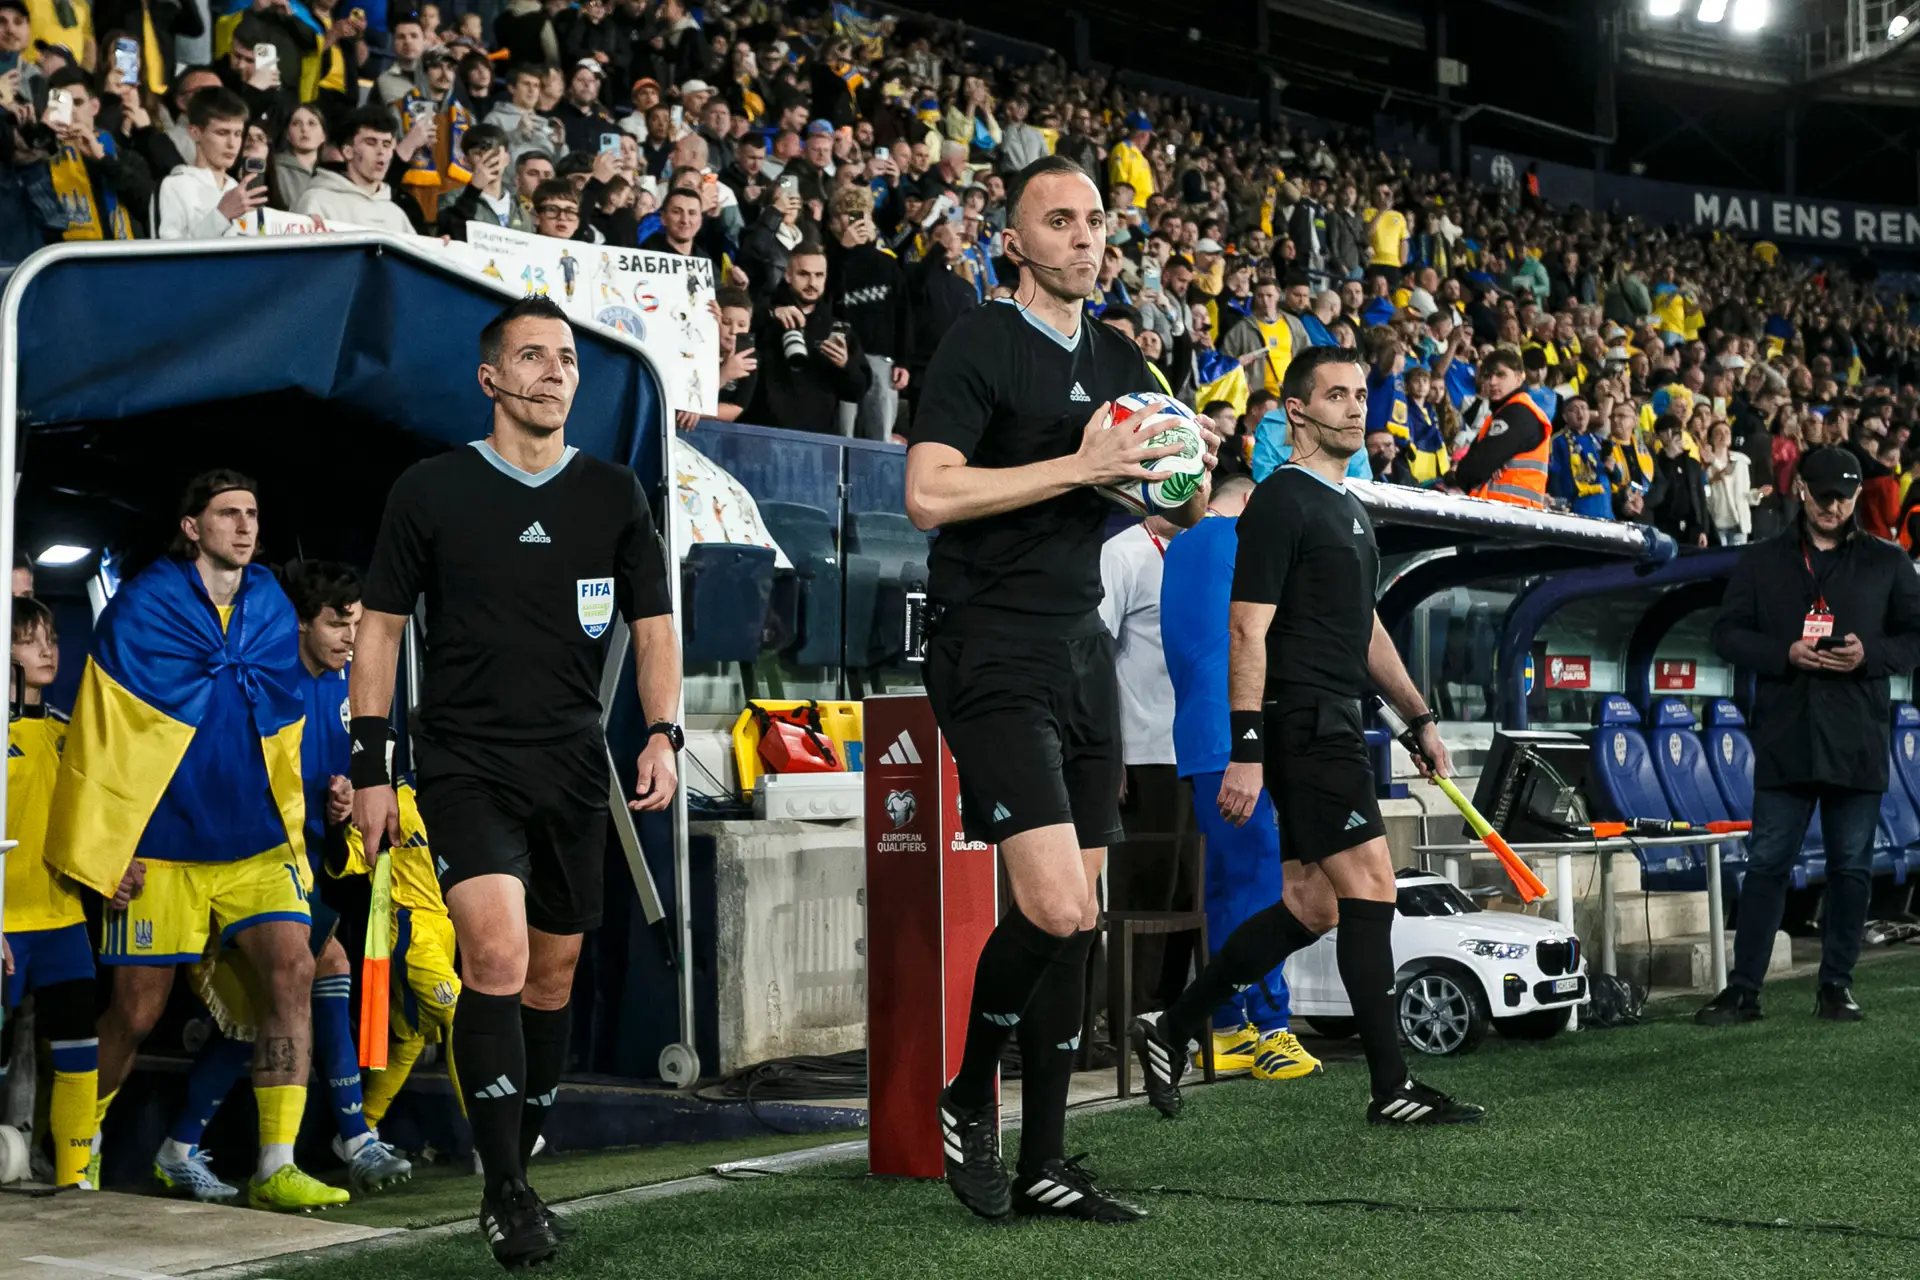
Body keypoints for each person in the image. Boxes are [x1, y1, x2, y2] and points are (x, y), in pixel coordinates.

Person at [907, 155, 1215, 1226]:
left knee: (1077, 924)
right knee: (1054, 902)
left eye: (1094, 220)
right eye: (1060, 220)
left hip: (1082, 649)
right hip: (988, 646)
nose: (1085, 238)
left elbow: (1161, 497)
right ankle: (964, 1092)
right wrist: (1081, 471)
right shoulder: (980, 341)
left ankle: (1045, 1155)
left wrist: (1178, 472)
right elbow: (928, 492)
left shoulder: (1124, 355)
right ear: (1016, 239)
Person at [351, 296, 681, 1269]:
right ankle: (503, 1190)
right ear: (490, 378)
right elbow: (376, 628)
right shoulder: (431, 488)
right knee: (490, 957)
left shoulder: (615, 493)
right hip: (464, 762)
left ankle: (522, 1139)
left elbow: (655, 627)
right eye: (531, 356)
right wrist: (372, 764)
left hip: (573, 764)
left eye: (568, 358)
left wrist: (661, 730)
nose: (553, 372)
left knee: (553, 973)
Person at [1130, 345, 1483, 1129]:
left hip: (1335, 720)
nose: (1356, 407)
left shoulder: (1349, 507)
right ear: (1298, 411)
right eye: (1336, 396)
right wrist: (1248, 752)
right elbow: (1246, 629)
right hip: (1304, 724)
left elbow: (1365, 631)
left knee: (1312, 903)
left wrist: (1420, 718)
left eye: (1361, 393)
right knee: (1372, 891)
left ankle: (1177, 1025)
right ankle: (1392, 1087)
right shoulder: (1282, 502)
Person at [48, 472, 345, 1209]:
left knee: (292, 970)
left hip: (256, 845)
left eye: (251, 513)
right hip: (162, 850)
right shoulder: (145, 606)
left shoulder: (272, 602)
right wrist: (106, 849)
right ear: (192, 527)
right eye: (227, 514)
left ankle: (276, 1164)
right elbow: (104, 734)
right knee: (136, 1014)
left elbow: (287, 710)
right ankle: (77, 1148)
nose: (245, 527)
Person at [153, 561, 412, 1200]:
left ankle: (180, 1147)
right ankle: (350, 1137)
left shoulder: (351, 687)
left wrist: (344, 801)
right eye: (335, 623)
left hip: (304, 868)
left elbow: (338, 778)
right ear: (299, 623)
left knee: (264, 1009)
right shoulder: (261, 682)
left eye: (355, 624)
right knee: (317, 968)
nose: (349, 638)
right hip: (244, 866)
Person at [1698, 447, 1920, 1025]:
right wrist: (1783, 653)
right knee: (1768, 862)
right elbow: (1726, 635)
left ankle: (1837, 987)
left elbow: (1916, 637)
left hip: (1856, 735)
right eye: (1824, 495)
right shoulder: (1762, 560)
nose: (1835, 506)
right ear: (1800, 490)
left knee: (1850, 868)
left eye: (1845, 497)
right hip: (1785, 734)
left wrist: (1871, 656)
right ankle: (1744, 989)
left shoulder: (1887, 562)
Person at [2, 597, 97, 1189]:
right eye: (29, 639)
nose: (47, 650)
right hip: (5, 924)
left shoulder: (68, 732)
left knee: (78, 1053)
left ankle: (75, 1178)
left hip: (63, 920)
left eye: (52, 638)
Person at [745, 245, 871, 433]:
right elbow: (733, 326)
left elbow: (857, 392)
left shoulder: (838, 329)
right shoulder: (765, 315)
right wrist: (770, 313)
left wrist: (845, 366)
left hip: (818, 440)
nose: (812, 282)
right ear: (788, 275)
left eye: (819, 275)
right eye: (804, 274)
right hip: (763, 432)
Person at [826, 185, 910, 441]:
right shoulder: (829, 262)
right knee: (842, 437)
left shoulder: (887, 262)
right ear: (834, 221)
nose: (854, 221)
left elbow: (904, 314)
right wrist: (844, 252)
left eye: (860, 214)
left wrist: (904, 362)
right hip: (843, 359)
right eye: (847, 214)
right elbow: (828, 303)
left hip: (882, 362)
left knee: (879, 439)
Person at [155, 87, 267, 238]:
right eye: (222, 133)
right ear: (195, 133)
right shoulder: (175, 186)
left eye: (238, 134)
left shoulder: (235, 188)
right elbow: (171, 257)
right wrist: (221, 215)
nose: (232, 144)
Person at [1444, 348, 1549, 508]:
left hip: (1509, 515)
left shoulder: (1518, 412)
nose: (1492, 382)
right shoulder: (1505, 412)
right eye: (1488, 375)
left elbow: (1475, 468)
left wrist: (1462, 473)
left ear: (1519, 378)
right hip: (1508, 513)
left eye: (1501, 375)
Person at [293, 106, 416, 234]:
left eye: (386, 144)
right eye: (371, 142)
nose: (381, 152)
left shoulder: (396, 214)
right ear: (348, 152)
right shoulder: (316, 202)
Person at [1646, 413, 1711, 548]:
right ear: (1658, 436)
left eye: (1675, 430)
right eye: (1665, 431)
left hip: (1691, 528)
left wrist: (1702, 529)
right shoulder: (1654, 461)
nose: (1670, 435)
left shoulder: (1692, 463)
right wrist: (1669, 457)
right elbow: (1659, 490)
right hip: (1665, 525)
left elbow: (1700, 497)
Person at [1705, 420, 1753, 545]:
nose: (1723, 435)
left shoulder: (1741, 461)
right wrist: (1711, 480)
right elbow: (1704, 494)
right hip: (1717, 523)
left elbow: (1746, 494)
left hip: (1739, 524)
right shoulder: (1706, 464)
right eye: (1718, 433)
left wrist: (1760, 494)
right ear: (1711, 438)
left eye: (1727, 432)